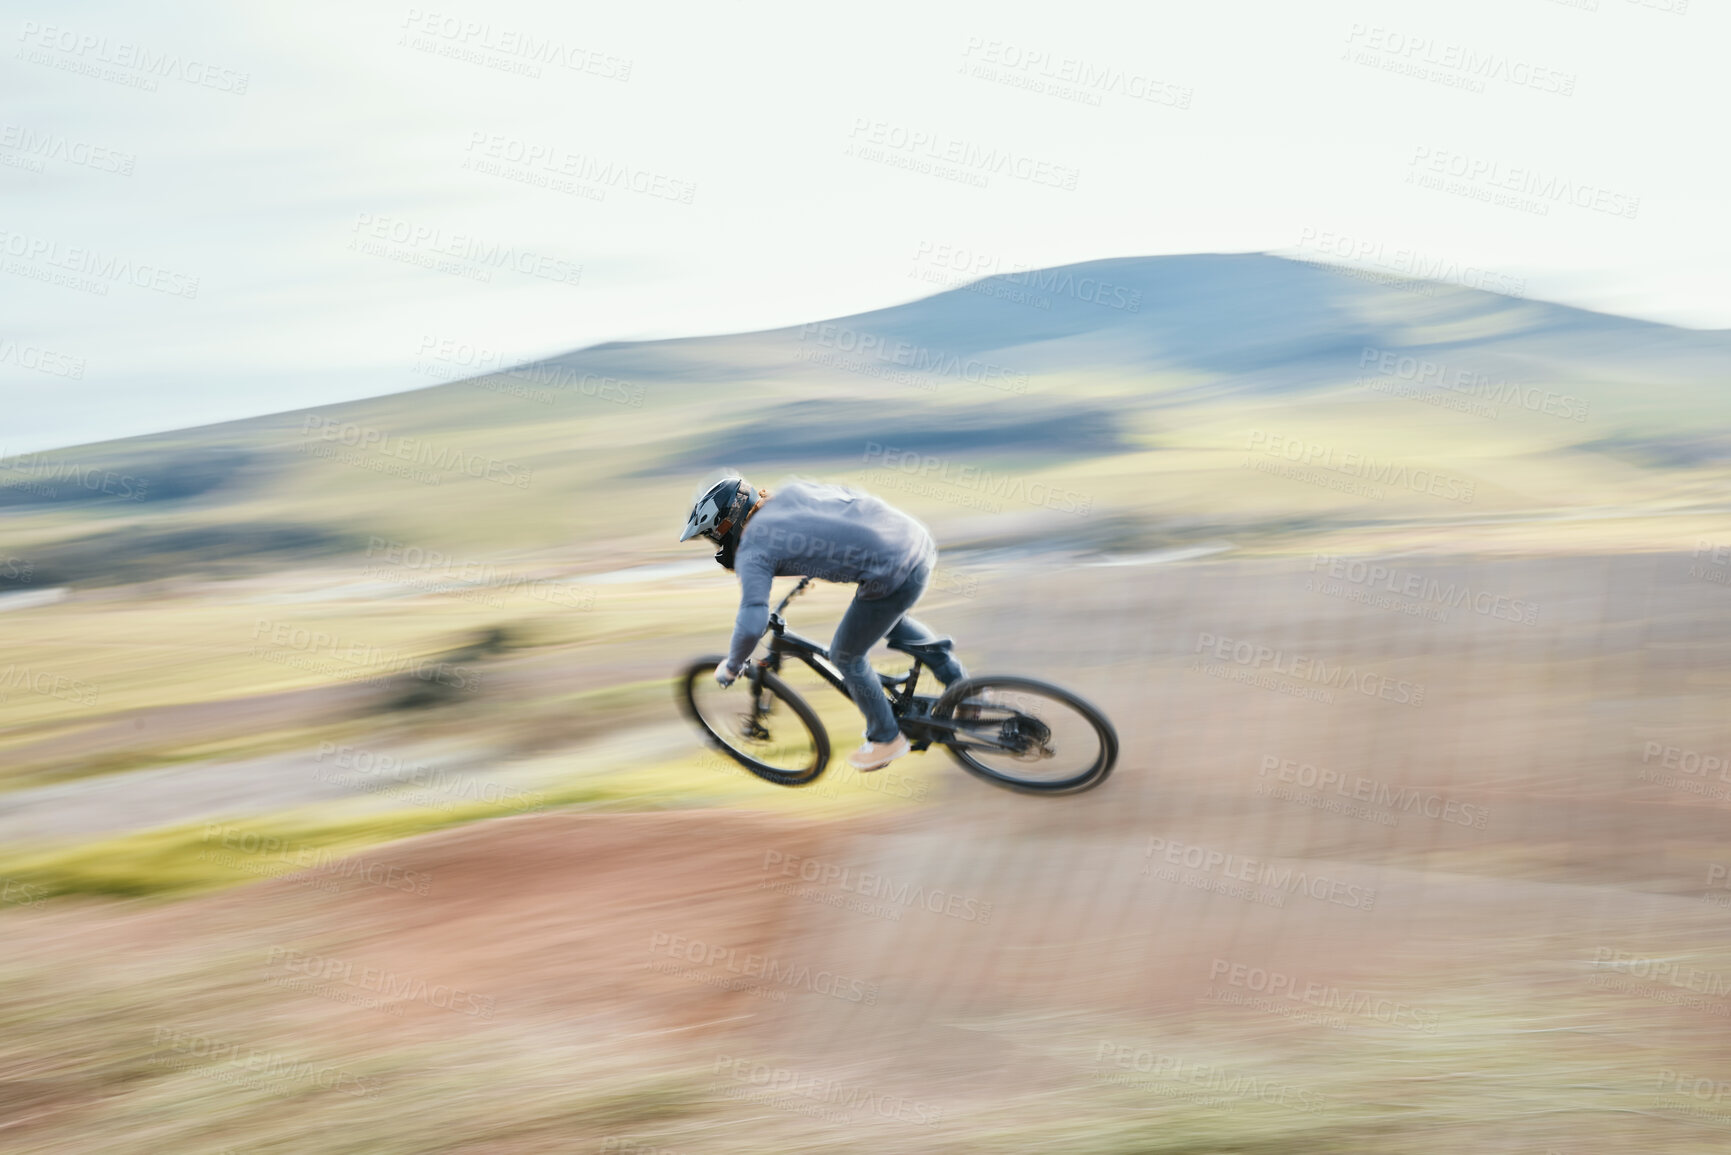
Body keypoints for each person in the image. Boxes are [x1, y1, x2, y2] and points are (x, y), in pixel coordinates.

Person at [679, 474, 966, 770]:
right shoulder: (789, 494)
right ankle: (964, 689)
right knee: (887, 617)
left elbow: (753, 619)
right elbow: (839, 515)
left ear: (727, 523)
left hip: (892, 571)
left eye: (713, 536)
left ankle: (886, 738)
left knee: (846, 654)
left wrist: (733, 664)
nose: (717, 544)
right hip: (915, 541)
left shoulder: (754, 547)